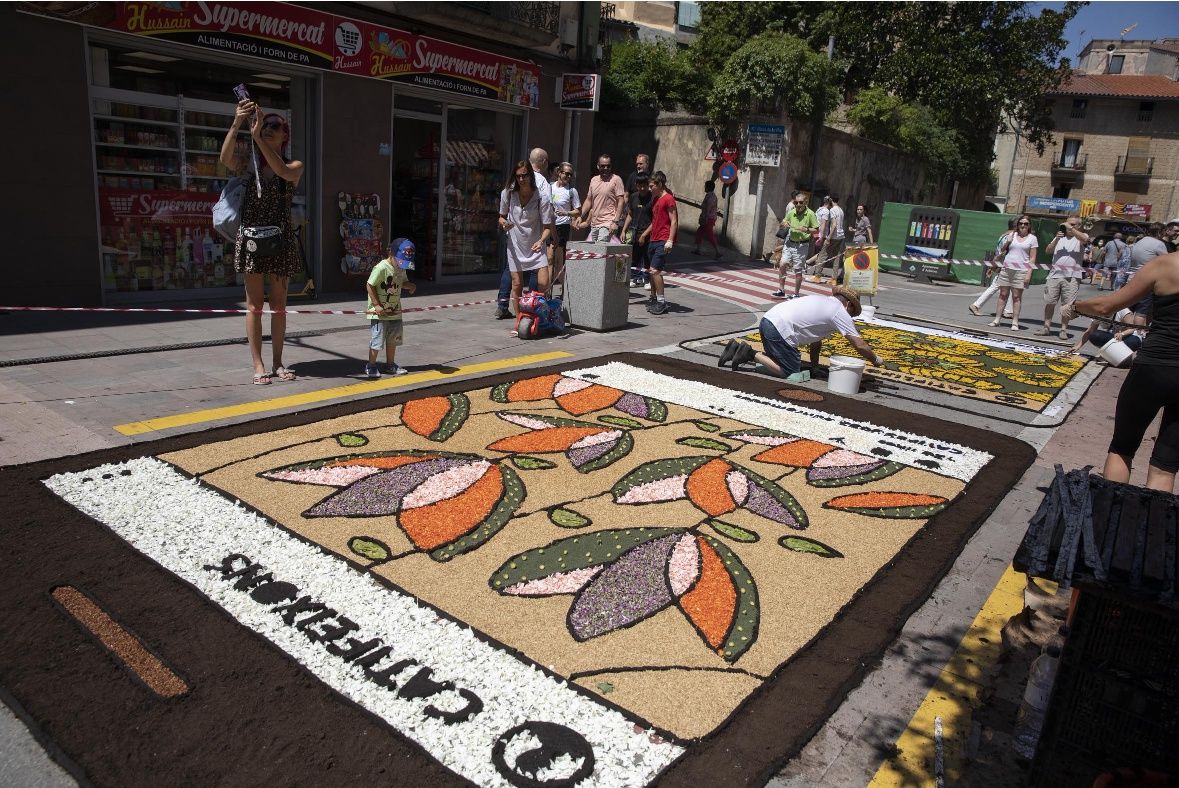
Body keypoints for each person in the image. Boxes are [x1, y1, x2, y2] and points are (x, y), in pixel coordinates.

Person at [1072, 249, 1179, 493]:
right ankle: (1150, 524)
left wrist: (1076, 306)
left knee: (1123, 447)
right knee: (1166, 464)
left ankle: (1111, 515)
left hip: (1155, 367)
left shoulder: (1165, 264)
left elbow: (1106, 305)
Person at [219, 101, 304, 385]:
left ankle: (279, 362)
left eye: (276, 126)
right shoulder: (248, 164)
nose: (270, 129)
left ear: (285, 135)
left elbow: (281, 170)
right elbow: (225, 159)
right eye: (267, 124)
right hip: (252, 241)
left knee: (278, 304)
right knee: (254, 305)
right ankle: (258, 365)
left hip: (280, 241)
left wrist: (257, 137)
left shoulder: (294, 166)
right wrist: (237, 123)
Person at [720, 285, 882, 377]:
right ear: (849, 305)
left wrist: (815, 367)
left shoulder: (824, 302)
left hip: (767, 321)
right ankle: (749, 353)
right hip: (778, 329)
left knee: (777, 360)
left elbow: (815, 341)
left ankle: (734, 348)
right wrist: (876, 360)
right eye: (852, 314)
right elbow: (859, 345)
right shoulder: (839, 312)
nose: (850, 318)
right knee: (789, 371)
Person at [494, 150, 550, 318]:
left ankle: (537, 313)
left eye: (524, 175)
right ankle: (519, 319)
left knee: (543, 283)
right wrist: (504, 224)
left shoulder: (542, 197)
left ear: (530, 176)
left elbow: (547, 226)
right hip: (515, 244)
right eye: (518, 176)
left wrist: (542, 241)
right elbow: (501, 217)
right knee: (517, 284)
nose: (521, 179)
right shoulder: (508, 194)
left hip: (536, 243)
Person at [364, 238, 418, 378]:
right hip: (379, 313)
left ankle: (390, 365)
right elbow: (370, 285)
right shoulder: (381, 267)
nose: (402, 266)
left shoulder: (401, 268)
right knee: (377, 340)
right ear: (392, 254)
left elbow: (402, 282)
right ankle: (371, 365)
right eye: (400, 262)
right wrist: (376, 305)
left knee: (393, 340)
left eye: (404, 264)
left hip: (395, 311)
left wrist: (409, 286)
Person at [1035, 215, 1088, 338]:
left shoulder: (1080, 237)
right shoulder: (1059, 236)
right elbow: (1048, 251)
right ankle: (1046, 328)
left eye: (1073, 224)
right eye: (1068, 224)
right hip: (1054, 275)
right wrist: (1056, 240)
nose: (1069, 226)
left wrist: (1072, 229)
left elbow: (1085, 240)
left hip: (1072, 276)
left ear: (1079, 226)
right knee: (1050, 302)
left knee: (1067, 305)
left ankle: (1063, 330)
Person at [638, 171, 677, 315]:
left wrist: (670, 241)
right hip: (653, 239)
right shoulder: (655, 200)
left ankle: (662, 302)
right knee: (651, 271)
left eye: (652, 185)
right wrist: (644, 234)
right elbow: (654, 222)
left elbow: (674, 221)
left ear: (660, 184)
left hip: (663, 240)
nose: (649, 188)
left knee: (655, 270)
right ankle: (654, 298)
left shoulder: (669, 199)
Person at [990, 214, 1038, 330]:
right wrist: (1008, 241)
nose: (1023, 225)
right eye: (1021, 223)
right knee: (1002, 295)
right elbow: (1002, 251)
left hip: (1021, 271)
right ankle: (997, 319)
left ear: (1029, 225)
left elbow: (1032, 258)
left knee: (1016, 297)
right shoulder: (1012, 235)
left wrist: (1028, 274)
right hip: (1006, 268)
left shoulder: (1032, 238)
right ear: (1017, 225)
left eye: (1026, 224)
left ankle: (1015, 322)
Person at [774, 192, 819, 298]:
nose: (798, 204)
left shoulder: (810, 214)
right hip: (789, 243)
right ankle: (781, 289)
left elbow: (816, 230)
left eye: (800, 202)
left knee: (798, 270)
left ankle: (796, 294)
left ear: (805, 203)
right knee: (782, 264)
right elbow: (783, 223)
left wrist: (806, 229)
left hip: (801, 246)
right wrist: (783, 224)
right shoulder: (792, 212)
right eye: (796, 202)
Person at [970, 219, 1017, 319]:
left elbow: (998, 252)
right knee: (998, 286)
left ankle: (1008, 311)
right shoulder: (1011, 236)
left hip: (1001, 264)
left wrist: (993, 266)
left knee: (1008, 286)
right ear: (1016, 226)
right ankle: (976, 305)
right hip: (1005, 265)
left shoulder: (1003, 235)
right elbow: (1004, 252)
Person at [1067, 308, 1146, 364]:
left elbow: (1132, 328)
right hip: (1115, 338)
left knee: (1133, 342)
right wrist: (1077, 346)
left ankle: (1122, 356)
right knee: (1094, 335)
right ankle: (1112, 355)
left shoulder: (1122, 311)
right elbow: (1089, 331)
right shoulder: (1098, 313)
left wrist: (1122, 334)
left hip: (1130, 337)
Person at [549, 161, 580, 292]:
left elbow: (578, 211)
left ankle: (565, 290)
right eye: (565, 173)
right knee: (549, 260)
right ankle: (547, 293)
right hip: (550, 226)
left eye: (570, 175)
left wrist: (566, 212)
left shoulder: (572, 191)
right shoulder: (550, 187)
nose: (568, 176)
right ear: (559, 173)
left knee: (558, 263)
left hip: (563, 227)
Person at [581, 154, 626, 242]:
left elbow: (621, 201)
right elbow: (588, 200)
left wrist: (615, 222)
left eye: (608, 166)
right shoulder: (594, 180)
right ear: (598, 166)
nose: (606, 168)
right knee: (595, 253)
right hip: (594, 224)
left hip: (608, 222)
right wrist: (580, 215)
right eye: (603, 166)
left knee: (600, 251)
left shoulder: (616, 179)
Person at [621, 172, 653, 288]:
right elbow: (630, 214)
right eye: (640, 186)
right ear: (636, 185)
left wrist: (644, 235)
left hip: (648, 233)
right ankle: (634, 278)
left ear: (648, 184)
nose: (642, 188)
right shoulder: (634, 197)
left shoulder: (652, 198)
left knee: (647, 257)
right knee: (635, 257)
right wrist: (624, 230)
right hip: (635, 232)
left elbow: (655, 220)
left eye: (645, 185)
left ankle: (648, 279)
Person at [692, 180, 721, 259]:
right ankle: (698, 249)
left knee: (710, 235)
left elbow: (708, 208)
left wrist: (705, 218)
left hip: (709, 218)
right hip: (708, 217)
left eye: (705, 186)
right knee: (699, 232)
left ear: (709, 187)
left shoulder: (711, 196)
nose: (704, 187)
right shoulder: (709, 195)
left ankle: (718, 251)